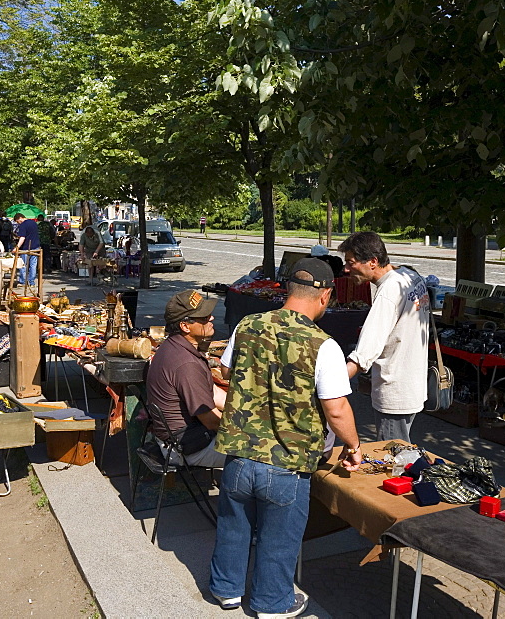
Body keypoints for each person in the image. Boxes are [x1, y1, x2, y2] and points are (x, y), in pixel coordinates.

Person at [210, 258, 362, 617]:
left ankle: (225, 590)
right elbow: (336, 408)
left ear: (287, 290)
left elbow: (226, 370)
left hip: (239, 452)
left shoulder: (248, 324)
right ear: (325, 296)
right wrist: (353, 446)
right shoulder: (323, 345)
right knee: (279, 539)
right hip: (287, 463)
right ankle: (271, 602)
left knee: (233, 526)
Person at [339, 231, 430, 443]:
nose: (346, 269)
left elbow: (365, 353)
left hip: (394, 391)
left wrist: (332, 384)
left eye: (351, 263)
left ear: (373, 261)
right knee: (402, 452)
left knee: (393, 461)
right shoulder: (409, 276)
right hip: (412, 385)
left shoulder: (389, 291)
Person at [146, 290, 227, 468]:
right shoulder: (186, 364)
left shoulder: (174, 345)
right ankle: (237, 493)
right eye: (204, 317)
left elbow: (212, 392)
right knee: (265, 452)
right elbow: (211, 420)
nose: (211, 318)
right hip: (187, 448)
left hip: (182, 440)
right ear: (185, 326)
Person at [13, 213, 40, 287]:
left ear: (20, 218)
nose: (18, 223)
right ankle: (32, 282)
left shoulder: (23, 225)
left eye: (17, 221)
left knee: (23, 265)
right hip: (35, 246)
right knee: (33, 265)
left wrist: (17, 247)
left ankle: (23, 281)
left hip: (26, 247)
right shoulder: (34, 223)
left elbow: (22, 237)